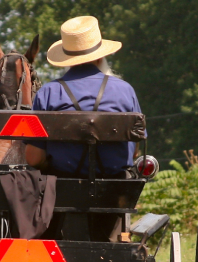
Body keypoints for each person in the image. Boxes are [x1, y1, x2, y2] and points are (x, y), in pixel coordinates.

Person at [24, 16, 143, 241]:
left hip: (60, 192)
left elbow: (33, 156)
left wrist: (54, 161)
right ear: (100, 56)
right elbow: (133, 151)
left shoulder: (47, 94)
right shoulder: (125, 91)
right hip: (111, 191)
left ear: (67, 58)